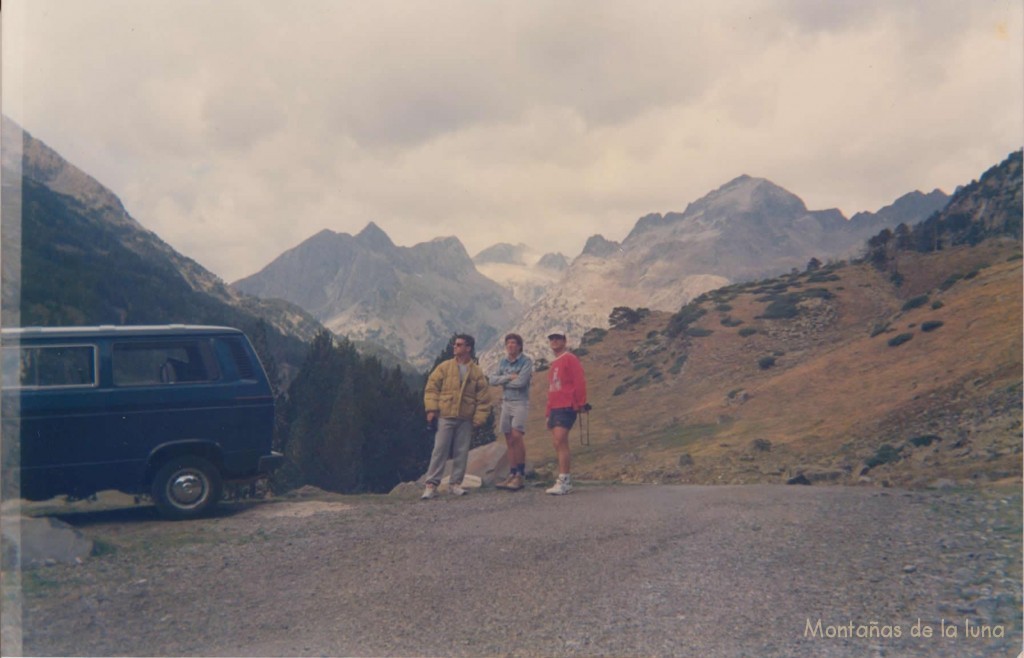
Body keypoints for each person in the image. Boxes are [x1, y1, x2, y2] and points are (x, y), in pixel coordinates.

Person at [421, 334, 491, 499]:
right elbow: (431, 388)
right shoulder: (444, 367)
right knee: (440, 450)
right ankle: (431, 485)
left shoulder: (476, 372)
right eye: (455, 344)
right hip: (445, 415)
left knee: (461, 451)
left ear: (468, 348)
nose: (455, 347)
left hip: (465, 418)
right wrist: (432, 409)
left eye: (459, 345)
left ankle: (455, 484)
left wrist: (479, 418)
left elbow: (483, 398)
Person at [544, 328, 587, 495]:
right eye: (552, 338)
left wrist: (581, 403)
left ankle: (564, 480)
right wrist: (548, 413)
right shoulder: (554, 362)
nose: (554, 341)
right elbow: (551, 389)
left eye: (558, 338)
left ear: (564, 341)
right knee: (557, 442)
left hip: (567, 405)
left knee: (561, 440)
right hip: (555, 406)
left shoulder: (570, 358)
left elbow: (579, 381)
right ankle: (563, 478)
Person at [488, 333, 533, 491]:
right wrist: (509, 378)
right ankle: (512, 473)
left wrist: (505, 381)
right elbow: (492, 380)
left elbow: (521, 382)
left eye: (514, 343)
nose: (511, 346)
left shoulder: (526, 361)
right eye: (508, 343)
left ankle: (520, 473)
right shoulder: (503, 362)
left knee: (517, 436)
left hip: (520, 402)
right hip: (506, 403)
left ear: (519, 346)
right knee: (508, 437)